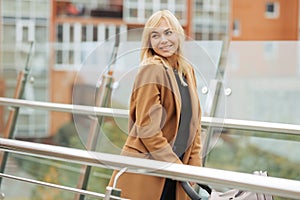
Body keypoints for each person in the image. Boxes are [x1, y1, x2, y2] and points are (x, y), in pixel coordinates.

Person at [109, 10, 202, 200]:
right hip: (151, 167)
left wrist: (195, 164)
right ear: (149, 42)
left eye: (168, 32)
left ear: (178, 34)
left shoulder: (187, 70)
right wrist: (176, 167)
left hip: (177, 168)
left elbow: (195, 124)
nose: (163, 40)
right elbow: (147, 128)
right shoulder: (152, 69)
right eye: (155, 35)